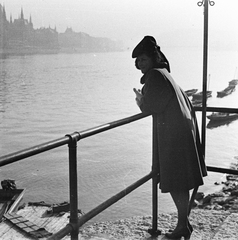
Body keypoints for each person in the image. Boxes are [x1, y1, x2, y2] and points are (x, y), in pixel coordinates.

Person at [132, 36, 207, 239]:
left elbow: (150, 106)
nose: (140, 64)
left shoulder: (154, 75)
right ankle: (183, 225)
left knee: (175, 182)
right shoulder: (164, 73)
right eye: (138, 61)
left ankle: (183, 226)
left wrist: (140, 100)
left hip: (174, 136)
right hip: (181, 132)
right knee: (179, 182)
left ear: (153, 59)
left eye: (143, 60)